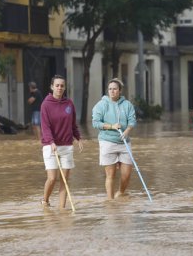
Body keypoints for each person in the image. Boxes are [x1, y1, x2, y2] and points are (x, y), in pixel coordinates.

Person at [40, 75, 83, 209]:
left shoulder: (69, 104)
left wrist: (78, 138)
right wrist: (51, 142)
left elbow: (73, 124)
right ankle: (45, 201)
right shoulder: (45, 104)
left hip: (67, 146)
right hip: (50, 145)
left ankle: (62, 209)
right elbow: (45, 127)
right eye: (57, 85)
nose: (59, 88)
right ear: (52, 87)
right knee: (52, 178)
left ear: (64, 88)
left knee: (64, 180)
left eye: (62, 86)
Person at [92, 78, 137, 200]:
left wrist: (127, 132)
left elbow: (132, 121)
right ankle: (110, 201)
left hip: (124, 142)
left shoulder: (127, 105)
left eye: (115, 89)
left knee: (126, 174)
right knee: (110, 175)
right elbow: (95, 123)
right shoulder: (101, 105)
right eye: (110, 89)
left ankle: (121, 192)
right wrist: (111, 126)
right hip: (107, 142)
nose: (112, 91)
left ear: (120, 91)